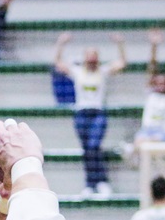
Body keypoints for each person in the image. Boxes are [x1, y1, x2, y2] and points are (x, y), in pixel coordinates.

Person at [54, 31, 127, 198]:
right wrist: (61, 44)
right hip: (81, 113)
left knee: (94, 146)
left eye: (94, 55)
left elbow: (122, 63)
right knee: (87, 150)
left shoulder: (103, 71)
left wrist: (120, 44)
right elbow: (58, 63)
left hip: (98, 113)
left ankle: (101, 182)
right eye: (89, 55)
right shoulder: (77, 71)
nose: (92, 58)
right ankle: (90, 184)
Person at [135, 29, 165, 145]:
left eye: (164, 83)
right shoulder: (150, 94)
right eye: (158, 83)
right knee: (139, 141)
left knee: (153, 141)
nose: (161, 85)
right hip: (147, 131)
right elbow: (151, 67)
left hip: (164, 133)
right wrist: (154, 45)